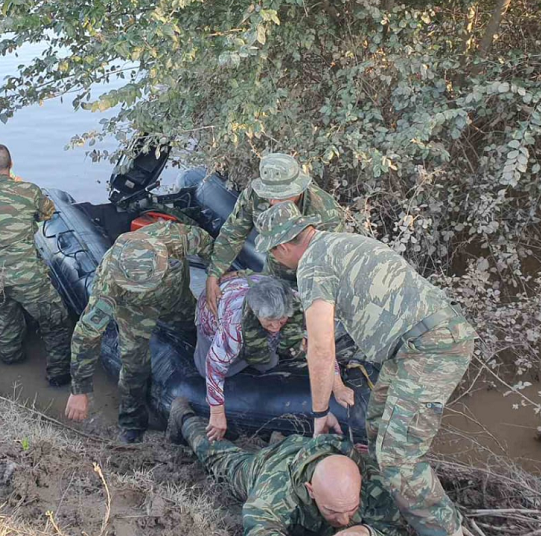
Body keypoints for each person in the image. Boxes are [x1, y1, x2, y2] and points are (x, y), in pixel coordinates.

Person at [254, 201, 477, 536]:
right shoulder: (342, 243)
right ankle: (381, 504)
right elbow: (333, 332)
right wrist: (338, 384)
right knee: (376, 423)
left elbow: (320, 347)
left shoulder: (312, 266)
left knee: (399, 461)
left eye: (274, 253)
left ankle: (449, 532)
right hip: (415, 345)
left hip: (430, 349)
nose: (276, 261)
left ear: (283, 245)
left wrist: (319, 412)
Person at [166, 397, 407, 536]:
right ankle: (185, 418)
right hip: (268, 465)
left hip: (314, 453)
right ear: (311, 490)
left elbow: (397, 527)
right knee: (221, 459)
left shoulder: (372, 480)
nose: (344, 521)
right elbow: (259, 525)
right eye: (332, 511)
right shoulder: (275, 491)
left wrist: (366, 532)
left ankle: (278, 438)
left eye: (351, 508)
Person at [64, 221, 213, 443]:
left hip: (176, 298)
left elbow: (211, 247)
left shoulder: (173, 236)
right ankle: (132, 423)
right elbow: (87, 334)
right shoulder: (108, 282)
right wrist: (79, 389)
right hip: (134, 311)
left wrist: (214, 277)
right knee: (134, 366)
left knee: (196, 333)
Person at [0, 144, 74, 386]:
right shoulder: (29, 191)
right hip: (26, 274)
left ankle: (11, 358)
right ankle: (58, 375)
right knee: (56, 320)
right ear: (11, 166)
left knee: (6, 315)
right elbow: (48, 213)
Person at [196, 274, 354, 441]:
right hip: (213, 312)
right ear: (256, 314)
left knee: (268, 362)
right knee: (208, 370)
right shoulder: (233, 325)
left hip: (254, 290)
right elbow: (214, 366)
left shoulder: (297, 302)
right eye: (270, 322)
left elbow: (320, 347)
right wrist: (217, 412)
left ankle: (258, 351)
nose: (276, 327)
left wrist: (337, 385)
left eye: (281, 320)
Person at [205, 153, 346, 314]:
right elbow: (233, 232)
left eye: (281, 196)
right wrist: (214, 273)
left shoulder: (325, 211)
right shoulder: (255, 195)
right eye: (269, 195)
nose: (273, 202)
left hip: (312, 281)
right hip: (273, 272)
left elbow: (330, 269)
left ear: (298, 188)